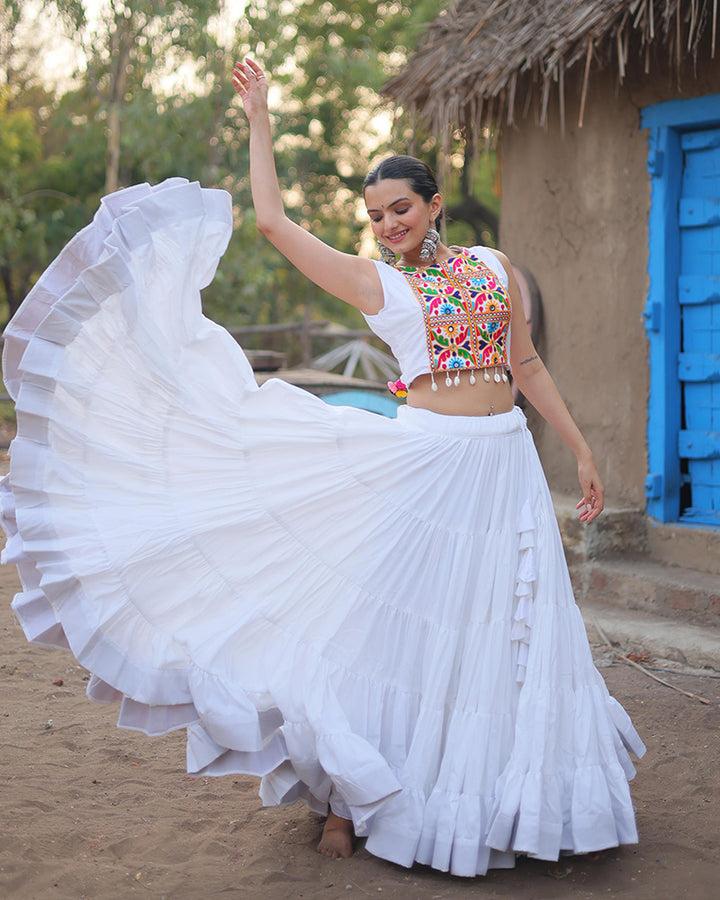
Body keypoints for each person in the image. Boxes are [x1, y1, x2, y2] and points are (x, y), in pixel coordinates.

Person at [0, 58, 644, 880]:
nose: (387, 224)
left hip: (505, 468)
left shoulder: (495, 268)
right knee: (387, 632)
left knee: (497, 637)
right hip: (425, 469)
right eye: (375, 215)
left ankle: (497, 797)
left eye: (401, 208)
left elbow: (528, 367)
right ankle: (345, 799)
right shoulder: (376, 284)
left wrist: (581, 447)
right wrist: (260, 119)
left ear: (433, 204)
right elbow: (273, 225)